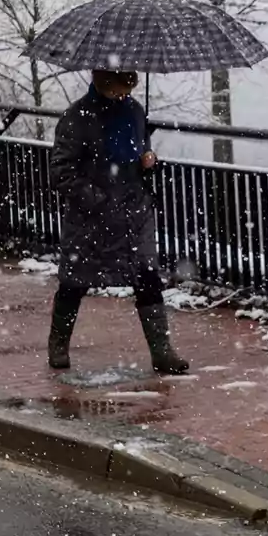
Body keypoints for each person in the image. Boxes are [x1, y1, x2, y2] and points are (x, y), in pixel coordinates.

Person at [47, 69, 189, 375]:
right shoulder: (76, 117)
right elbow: (61, 172)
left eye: (128, 86)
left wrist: (149, 161)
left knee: (148, 280)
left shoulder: (135, 112)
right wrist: (97, 199)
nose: (124, 93)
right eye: (118, 88)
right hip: (91, 220)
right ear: (102, 82)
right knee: (74, 282)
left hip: (133, 215)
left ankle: (162, 352)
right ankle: (58, 344)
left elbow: (141, 154)